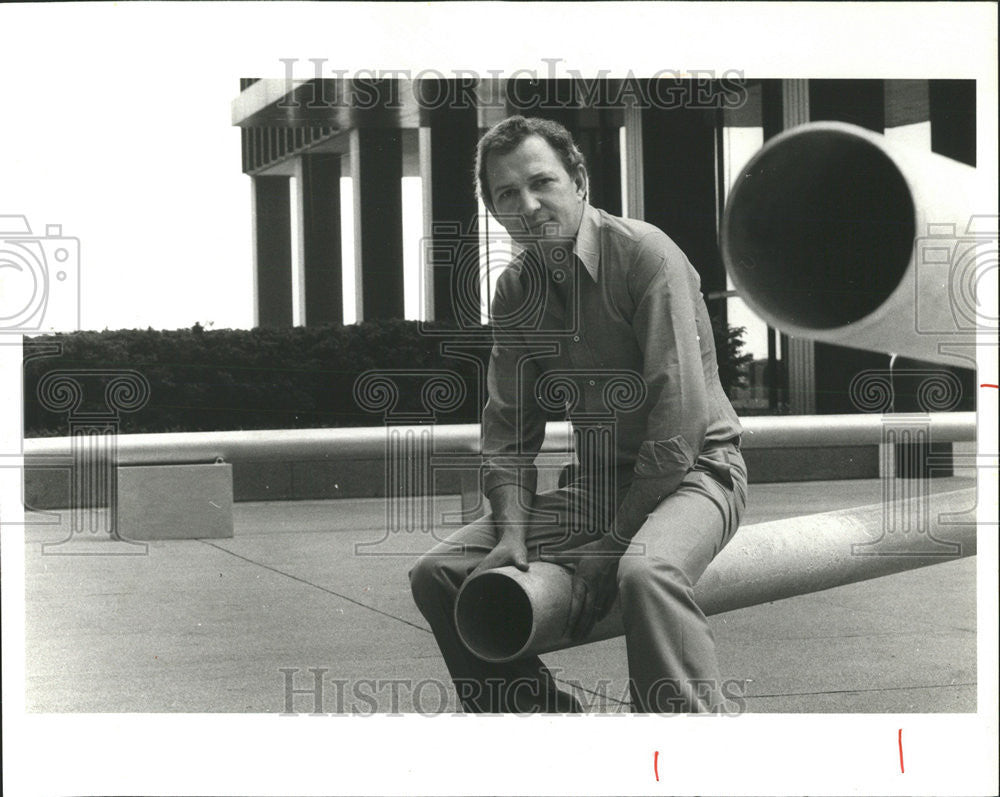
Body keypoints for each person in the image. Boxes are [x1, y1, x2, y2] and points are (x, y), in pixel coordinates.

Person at [409, 115, 747, 713]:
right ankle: (540, 722)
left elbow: (679, 424)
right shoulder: (515, 292)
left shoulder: (646, 255)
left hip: (697, 474)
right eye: (507, 194)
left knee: (646, 574)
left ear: (580, 180)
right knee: (439, 574)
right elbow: (508, 432)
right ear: (492, 208)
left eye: (543, 182)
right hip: (598, 485)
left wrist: (612, 546)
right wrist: (512, 532)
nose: (529, 204)